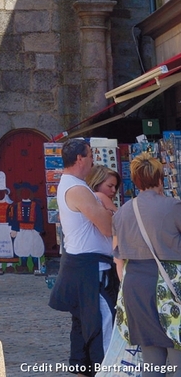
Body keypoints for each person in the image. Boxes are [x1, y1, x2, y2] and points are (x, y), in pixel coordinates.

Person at [48, 138, 115, 375]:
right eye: (90, 156)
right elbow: (107, 226)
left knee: (81, 325)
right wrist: (107, 209)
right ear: (80, 159)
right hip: (91, 269)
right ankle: (104, 371)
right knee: (101, 324)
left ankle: (82, 370)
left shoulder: (70, 184)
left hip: (80, 263)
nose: (93, 162)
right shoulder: (77, 188)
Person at [113, 152, 181, 369]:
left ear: (135, 180)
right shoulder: (173, 206)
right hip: (170, 286)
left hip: (135, 286)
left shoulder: (121, 212)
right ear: (160, 178)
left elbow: (119, 258)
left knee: (152, 360)